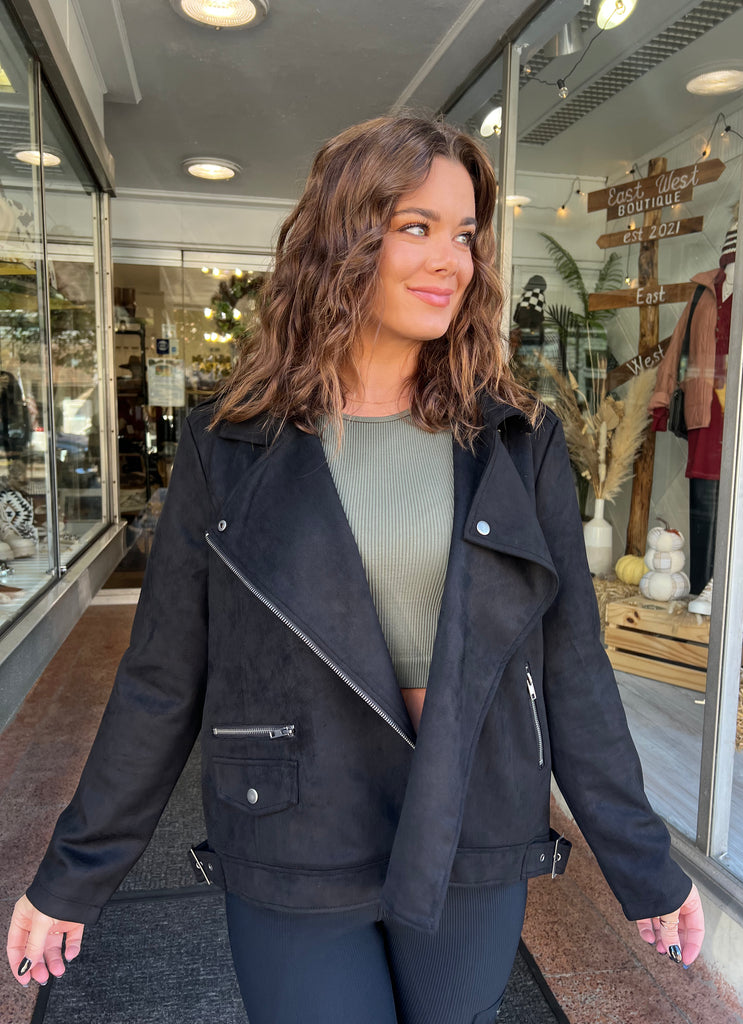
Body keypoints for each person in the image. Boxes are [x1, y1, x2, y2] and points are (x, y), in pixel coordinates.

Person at [7, 116, 704, 1024]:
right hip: (298, 821)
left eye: (464, 234)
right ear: (342, 239)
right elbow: (162, 678)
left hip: (470, 817)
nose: (451, 259)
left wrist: (643, 862)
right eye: (417, 226)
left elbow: (572, 669)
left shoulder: (513, 442)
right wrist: (75, 872)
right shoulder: (230, 444)